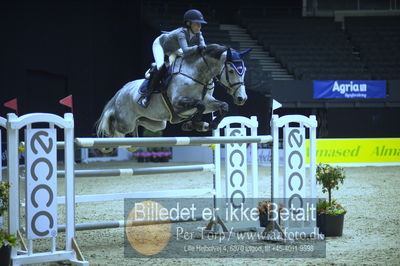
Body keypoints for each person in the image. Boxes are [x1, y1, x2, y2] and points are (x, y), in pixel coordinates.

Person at [138, 9, 208, 107]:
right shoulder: (181, 33)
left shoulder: (199, 33)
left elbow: (204, 47)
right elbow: (187, 51)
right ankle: (146, 96)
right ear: (188, 23)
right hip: (161, 45)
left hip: (175, 48)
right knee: (160, 67)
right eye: (197, 24)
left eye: (200, 24)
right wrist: (197, 47)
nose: (199, 27)